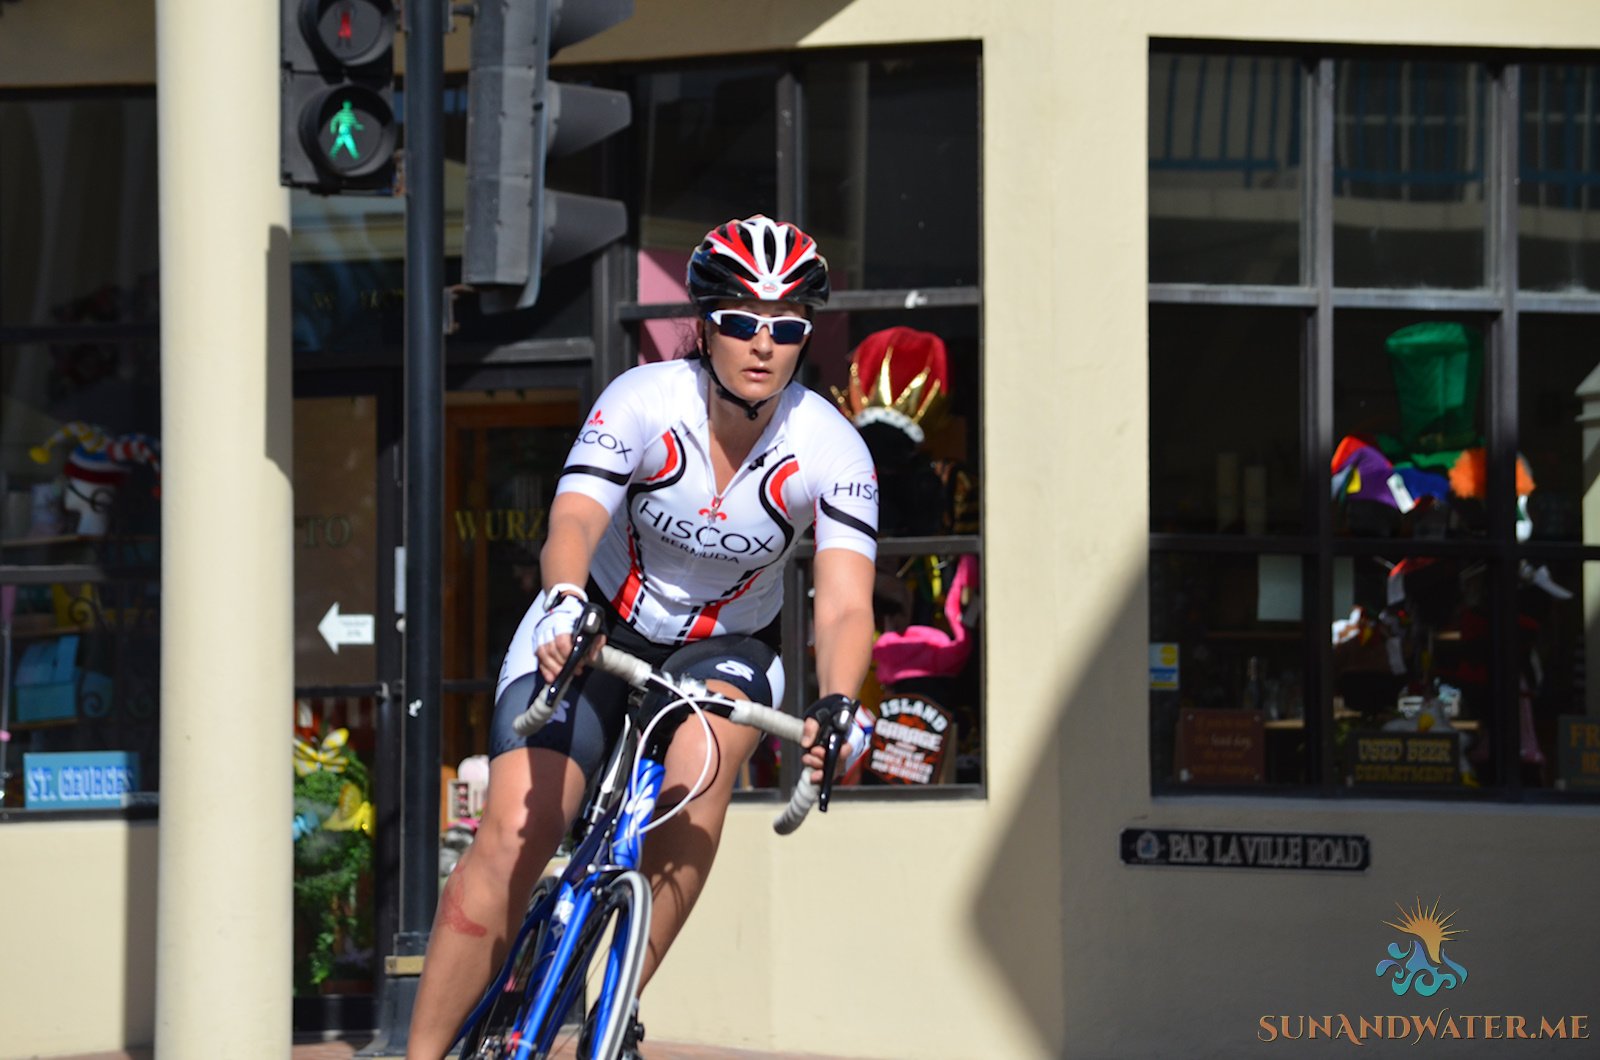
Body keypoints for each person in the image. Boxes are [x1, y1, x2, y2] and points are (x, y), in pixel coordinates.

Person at [406, 215, 880, 1059]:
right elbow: (576, 516)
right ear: (703, 325)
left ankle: (612, 1004)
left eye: (786, 326)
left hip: (724, 648)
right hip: (597, 622)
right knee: (515, 835)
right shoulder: (643, 400)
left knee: (699, 782)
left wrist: (842, 699)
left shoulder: (832, 448)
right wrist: (559, 599)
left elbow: (844, 604)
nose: (762, 343)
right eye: (739, 320)